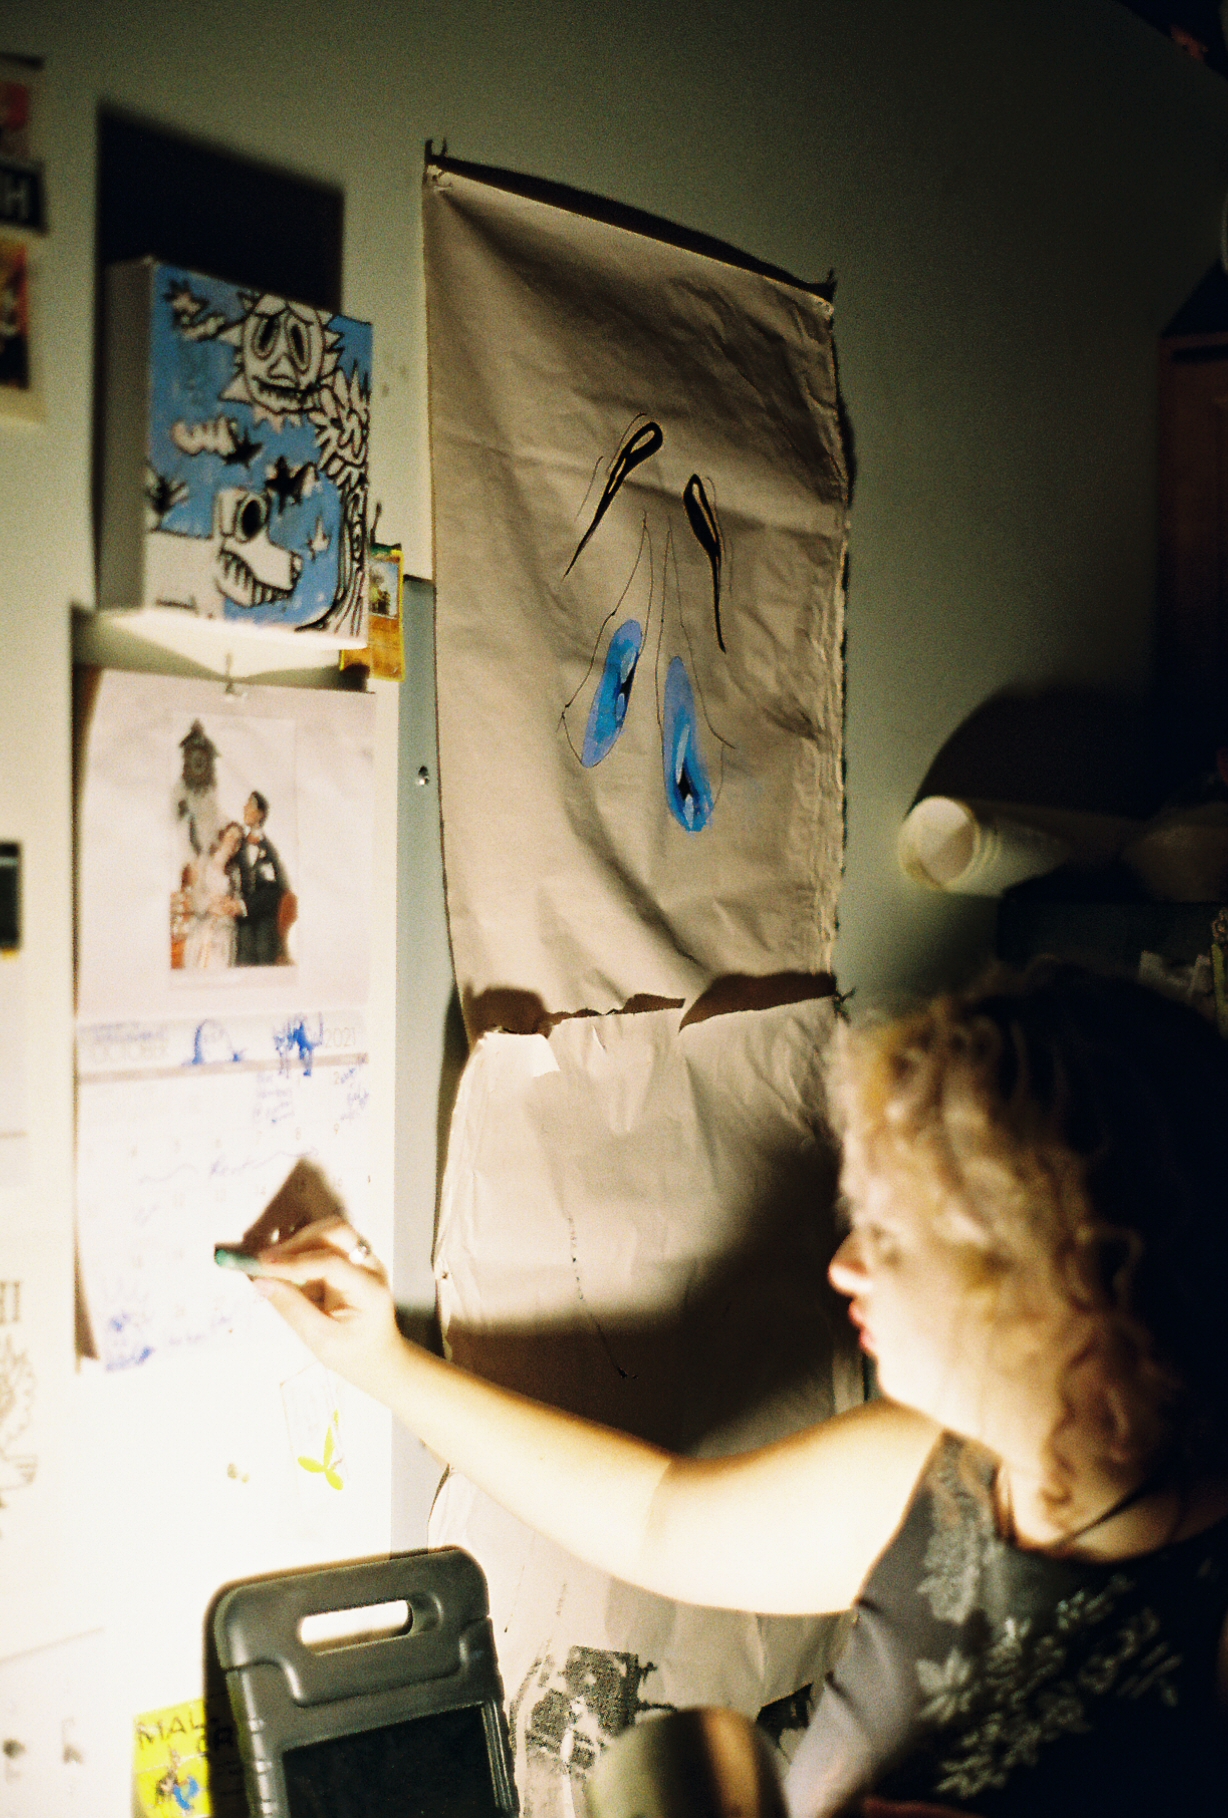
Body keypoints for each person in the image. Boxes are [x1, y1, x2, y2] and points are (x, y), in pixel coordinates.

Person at [252, 964, 1228, 1816]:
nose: (845, 1265)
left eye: (894, 1239)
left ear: (1056, 1301)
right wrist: (379, 1362)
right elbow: (654, 1518)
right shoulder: (938, 1469)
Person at [181, 822, 245, 969]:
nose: (233, 842)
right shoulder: (203, 864)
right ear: (222, 837)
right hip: (203, 922)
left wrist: (229, 905)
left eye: (237, 840)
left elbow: (236, 898)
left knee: (220, 960)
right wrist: (210, 906)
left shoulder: (234, 871)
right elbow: (195, 897)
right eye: (230, 836)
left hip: (224, 925)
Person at [234, 791, 287, 966]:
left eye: (250, 805)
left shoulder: (268, 850)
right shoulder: (238, 845)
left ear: (260, 814)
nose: (245, 808)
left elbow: (274, 890)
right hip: (241, 922)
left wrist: (244, 906)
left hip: (264, 921)